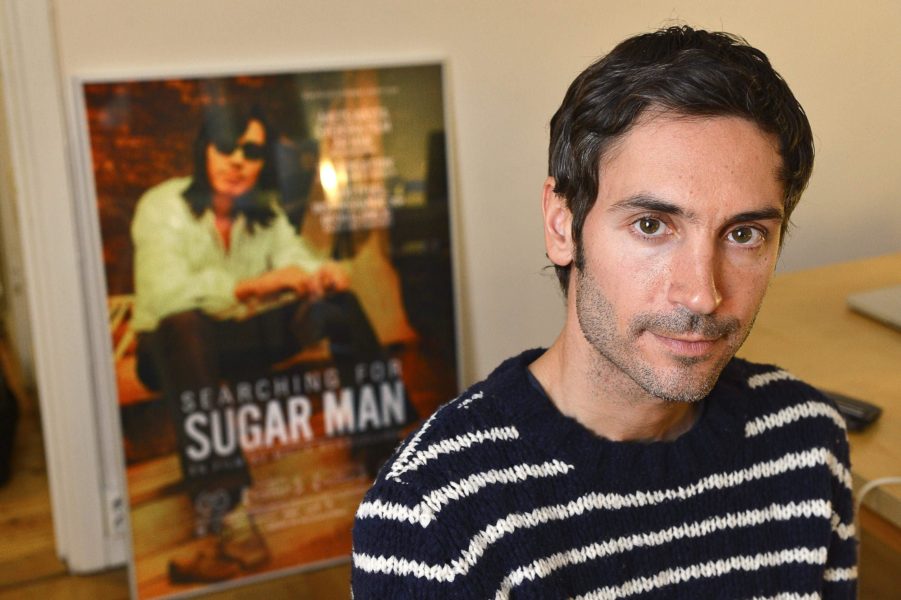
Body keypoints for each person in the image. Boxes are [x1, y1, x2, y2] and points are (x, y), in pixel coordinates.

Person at [351, 26, 857, 598]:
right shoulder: (432, 519)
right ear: (561, 225)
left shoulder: (806, 442)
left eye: (744, 234)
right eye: (652, 225)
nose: (702, 295)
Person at [131, 103, 383, 583]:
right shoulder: (162, 206)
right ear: (204, 149)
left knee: (339, 304)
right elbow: (163, 296)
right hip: (168, 349)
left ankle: (387, 456)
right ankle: (231, 518)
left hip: (237, 339)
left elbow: (295, 258)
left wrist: (321, 274)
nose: (237, 160)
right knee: (183, 325)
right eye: (226, 146)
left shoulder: (262, 210)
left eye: (251, 151)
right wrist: (254, 285)